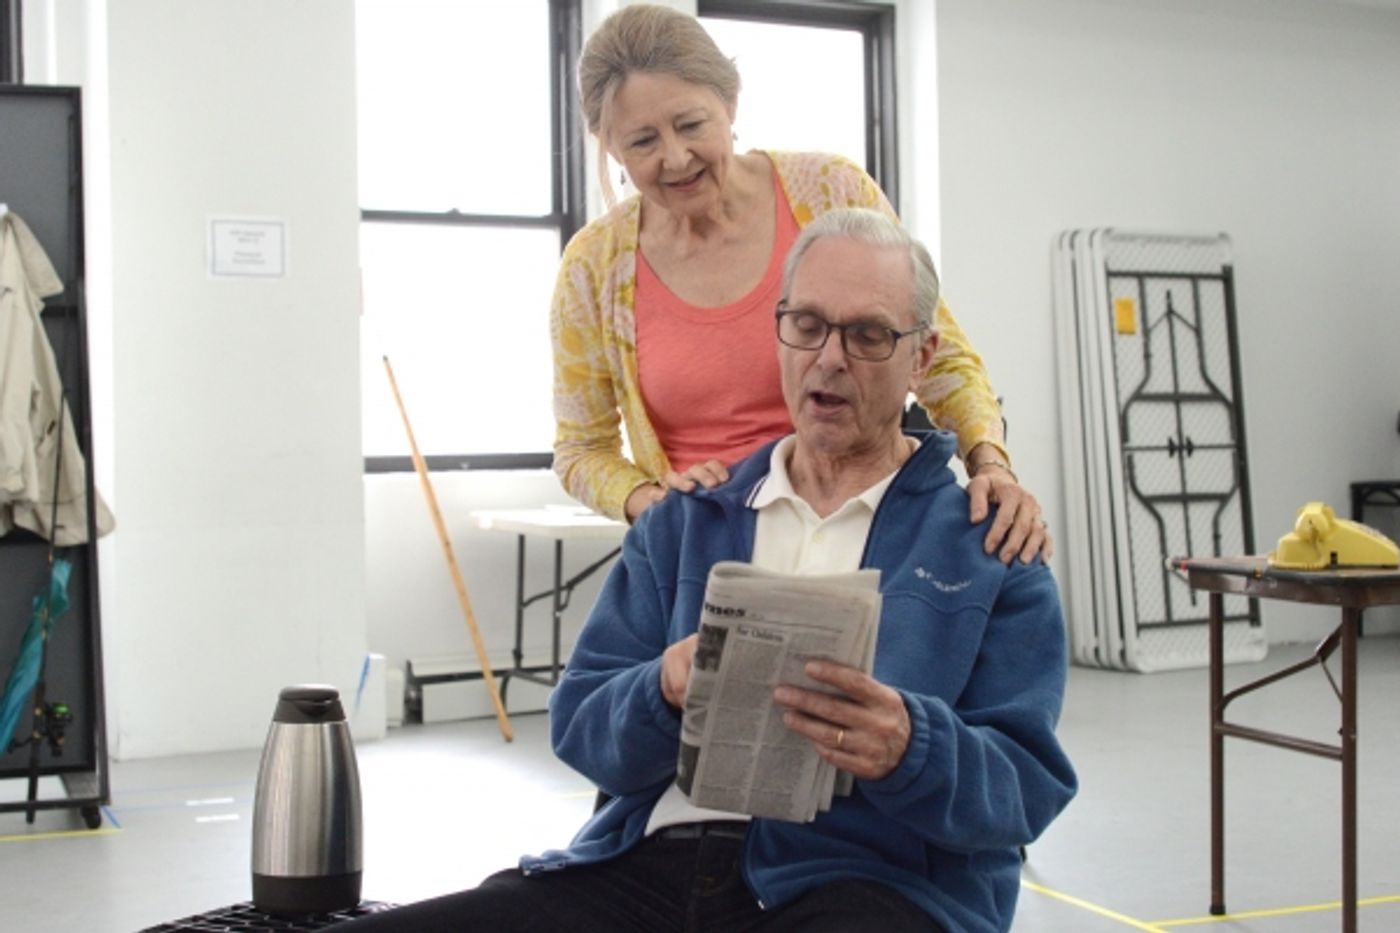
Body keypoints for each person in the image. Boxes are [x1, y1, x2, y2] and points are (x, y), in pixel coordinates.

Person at [329, 209, 1076, 933]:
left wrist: (911, 746)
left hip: (862, 885)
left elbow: (1026, 788)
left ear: (922, 356)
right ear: (779, 330)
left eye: (870, 335)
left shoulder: (989, 545)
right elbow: (582, 727)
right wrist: (663, 686)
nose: (830, 357)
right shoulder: (687, 522)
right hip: (643, 868)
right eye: (808, 325)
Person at [552, 4, 1051, 565]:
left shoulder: (828, 191)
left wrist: (991, 464)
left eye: (691, 125)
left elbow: (938, 356)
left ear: (731, 102)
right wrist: (653, 501)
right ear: (610, 146)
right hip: (708, 548)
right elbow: (581, 450)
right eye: (642, 141)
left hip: (861, 528)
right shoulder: (594, 266)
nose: (676, 157)